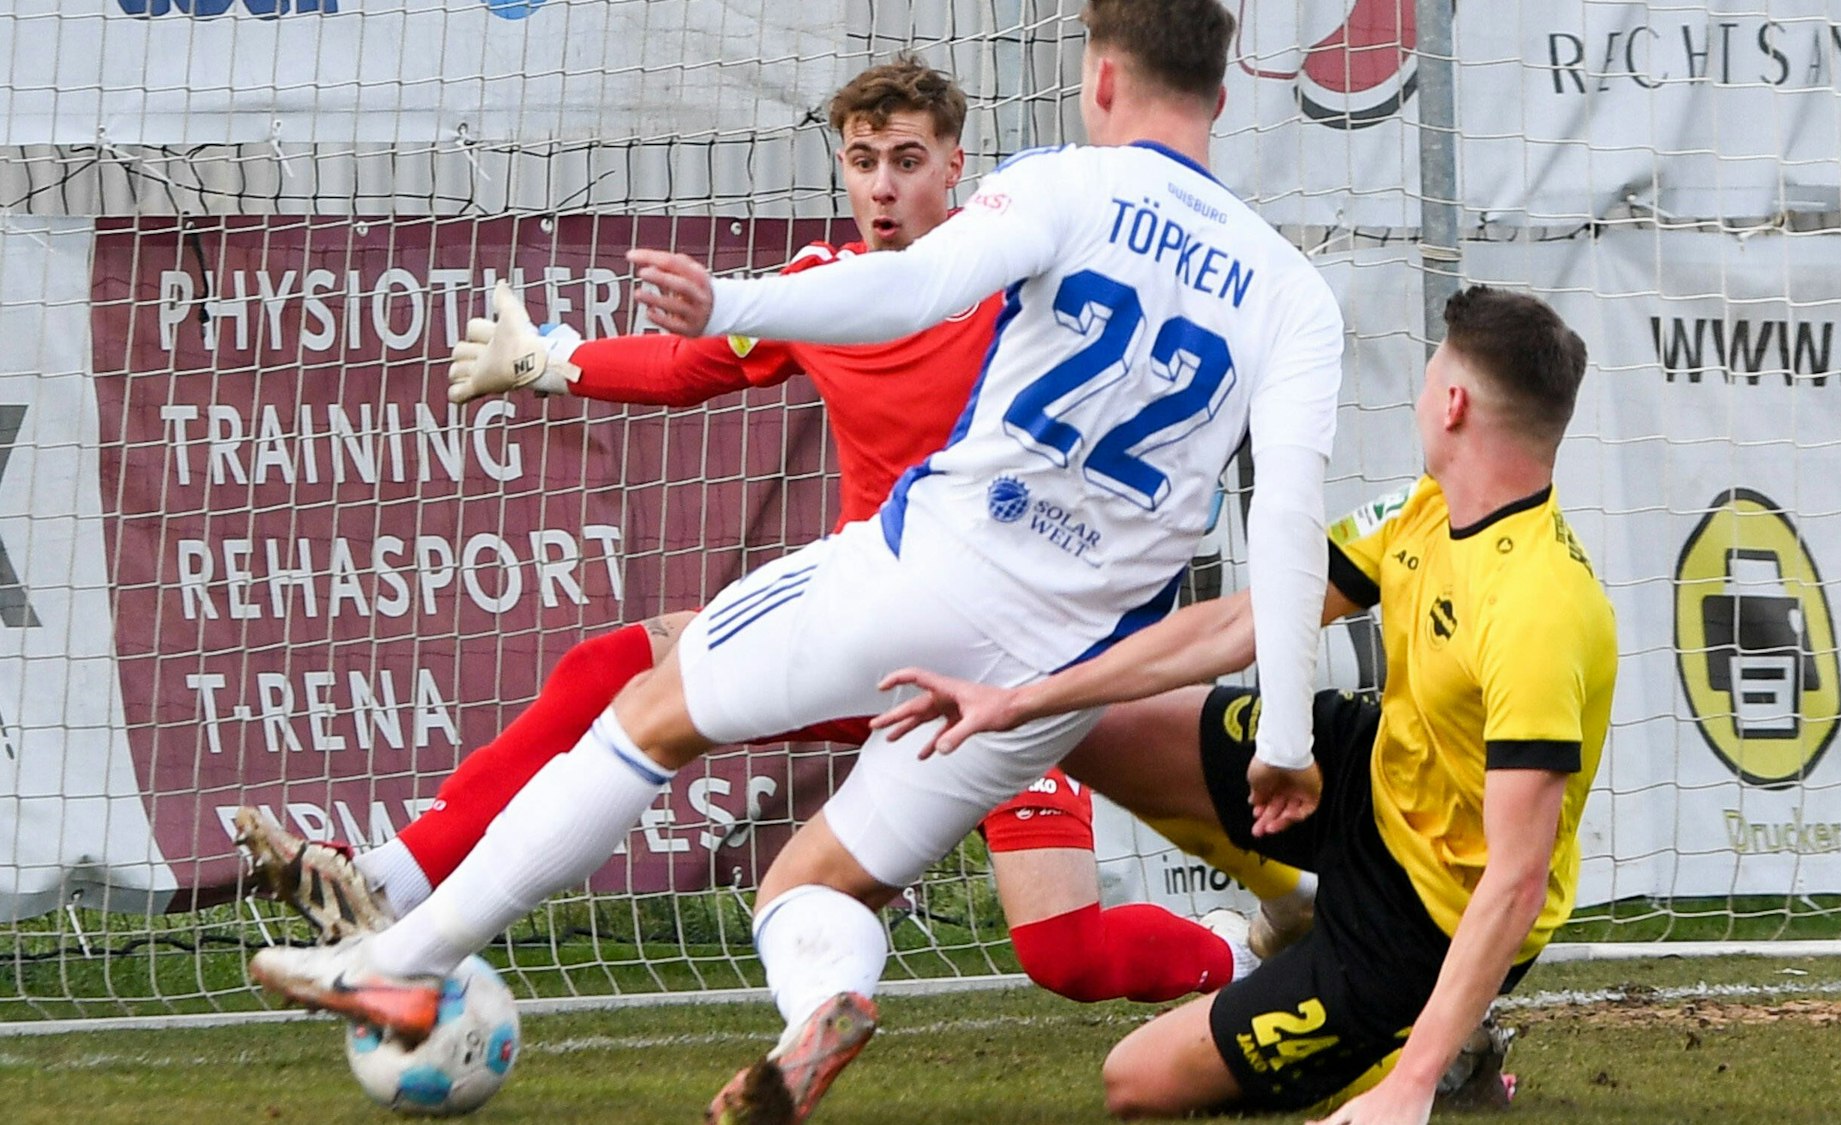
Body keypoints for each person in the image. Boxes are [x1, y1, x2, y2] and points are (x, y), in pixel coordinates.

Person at [248, 6, 1348, 1125]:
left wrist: (730, 298)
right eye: (862, 161)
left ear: (1100, 82)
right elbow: (1289, 532)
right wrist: (1289, 743)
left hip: (920, 577)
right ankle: (817, 1008)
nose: (880, 184)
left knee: (648, 715)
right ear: (1220, 96)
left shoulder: (1066, 186)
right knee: (813, 881)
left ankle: (408, 954)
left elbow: (912, 288)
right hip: (1043, 682)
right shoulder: (1295, 296)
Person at [872, 285, 1614, 1125]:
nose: (1420, 389)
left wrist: (1404, 1093)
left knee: (1136, 1082)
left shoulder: (1535, 609)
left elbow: (1515, 880)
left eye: (1431, 369)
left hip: (1424, 914)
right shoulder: (1431, 506)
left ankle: (1432, 1054)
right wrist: (1025, 696)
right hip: (1368, 774)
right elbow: (1241, 622)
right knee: (1088, 727)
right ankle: (1292, 902)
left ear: (1453, 403)